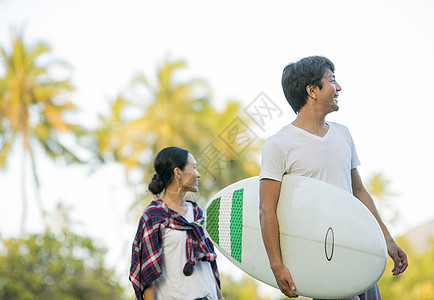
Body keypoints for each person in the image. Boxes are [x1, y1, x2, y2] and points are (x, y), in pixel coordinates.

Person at [259, 56, 408, 299]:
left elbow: (359, 192)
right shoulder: (279, 145)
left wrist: (387, 240)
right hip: (323, 261)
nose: (338, 88)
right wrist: (277, 266)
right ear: (312, 91)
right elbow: (267, 209)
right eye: (332, 81)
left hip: (358, 251)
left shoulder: (343, 134)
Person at [129, 146, 224, 300]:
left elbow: (209, 264)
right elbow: (147, 278)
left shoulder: (197, 213)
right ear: (178, 172)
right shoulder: (153, 216)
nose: (197, 174)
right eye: (193, 167)